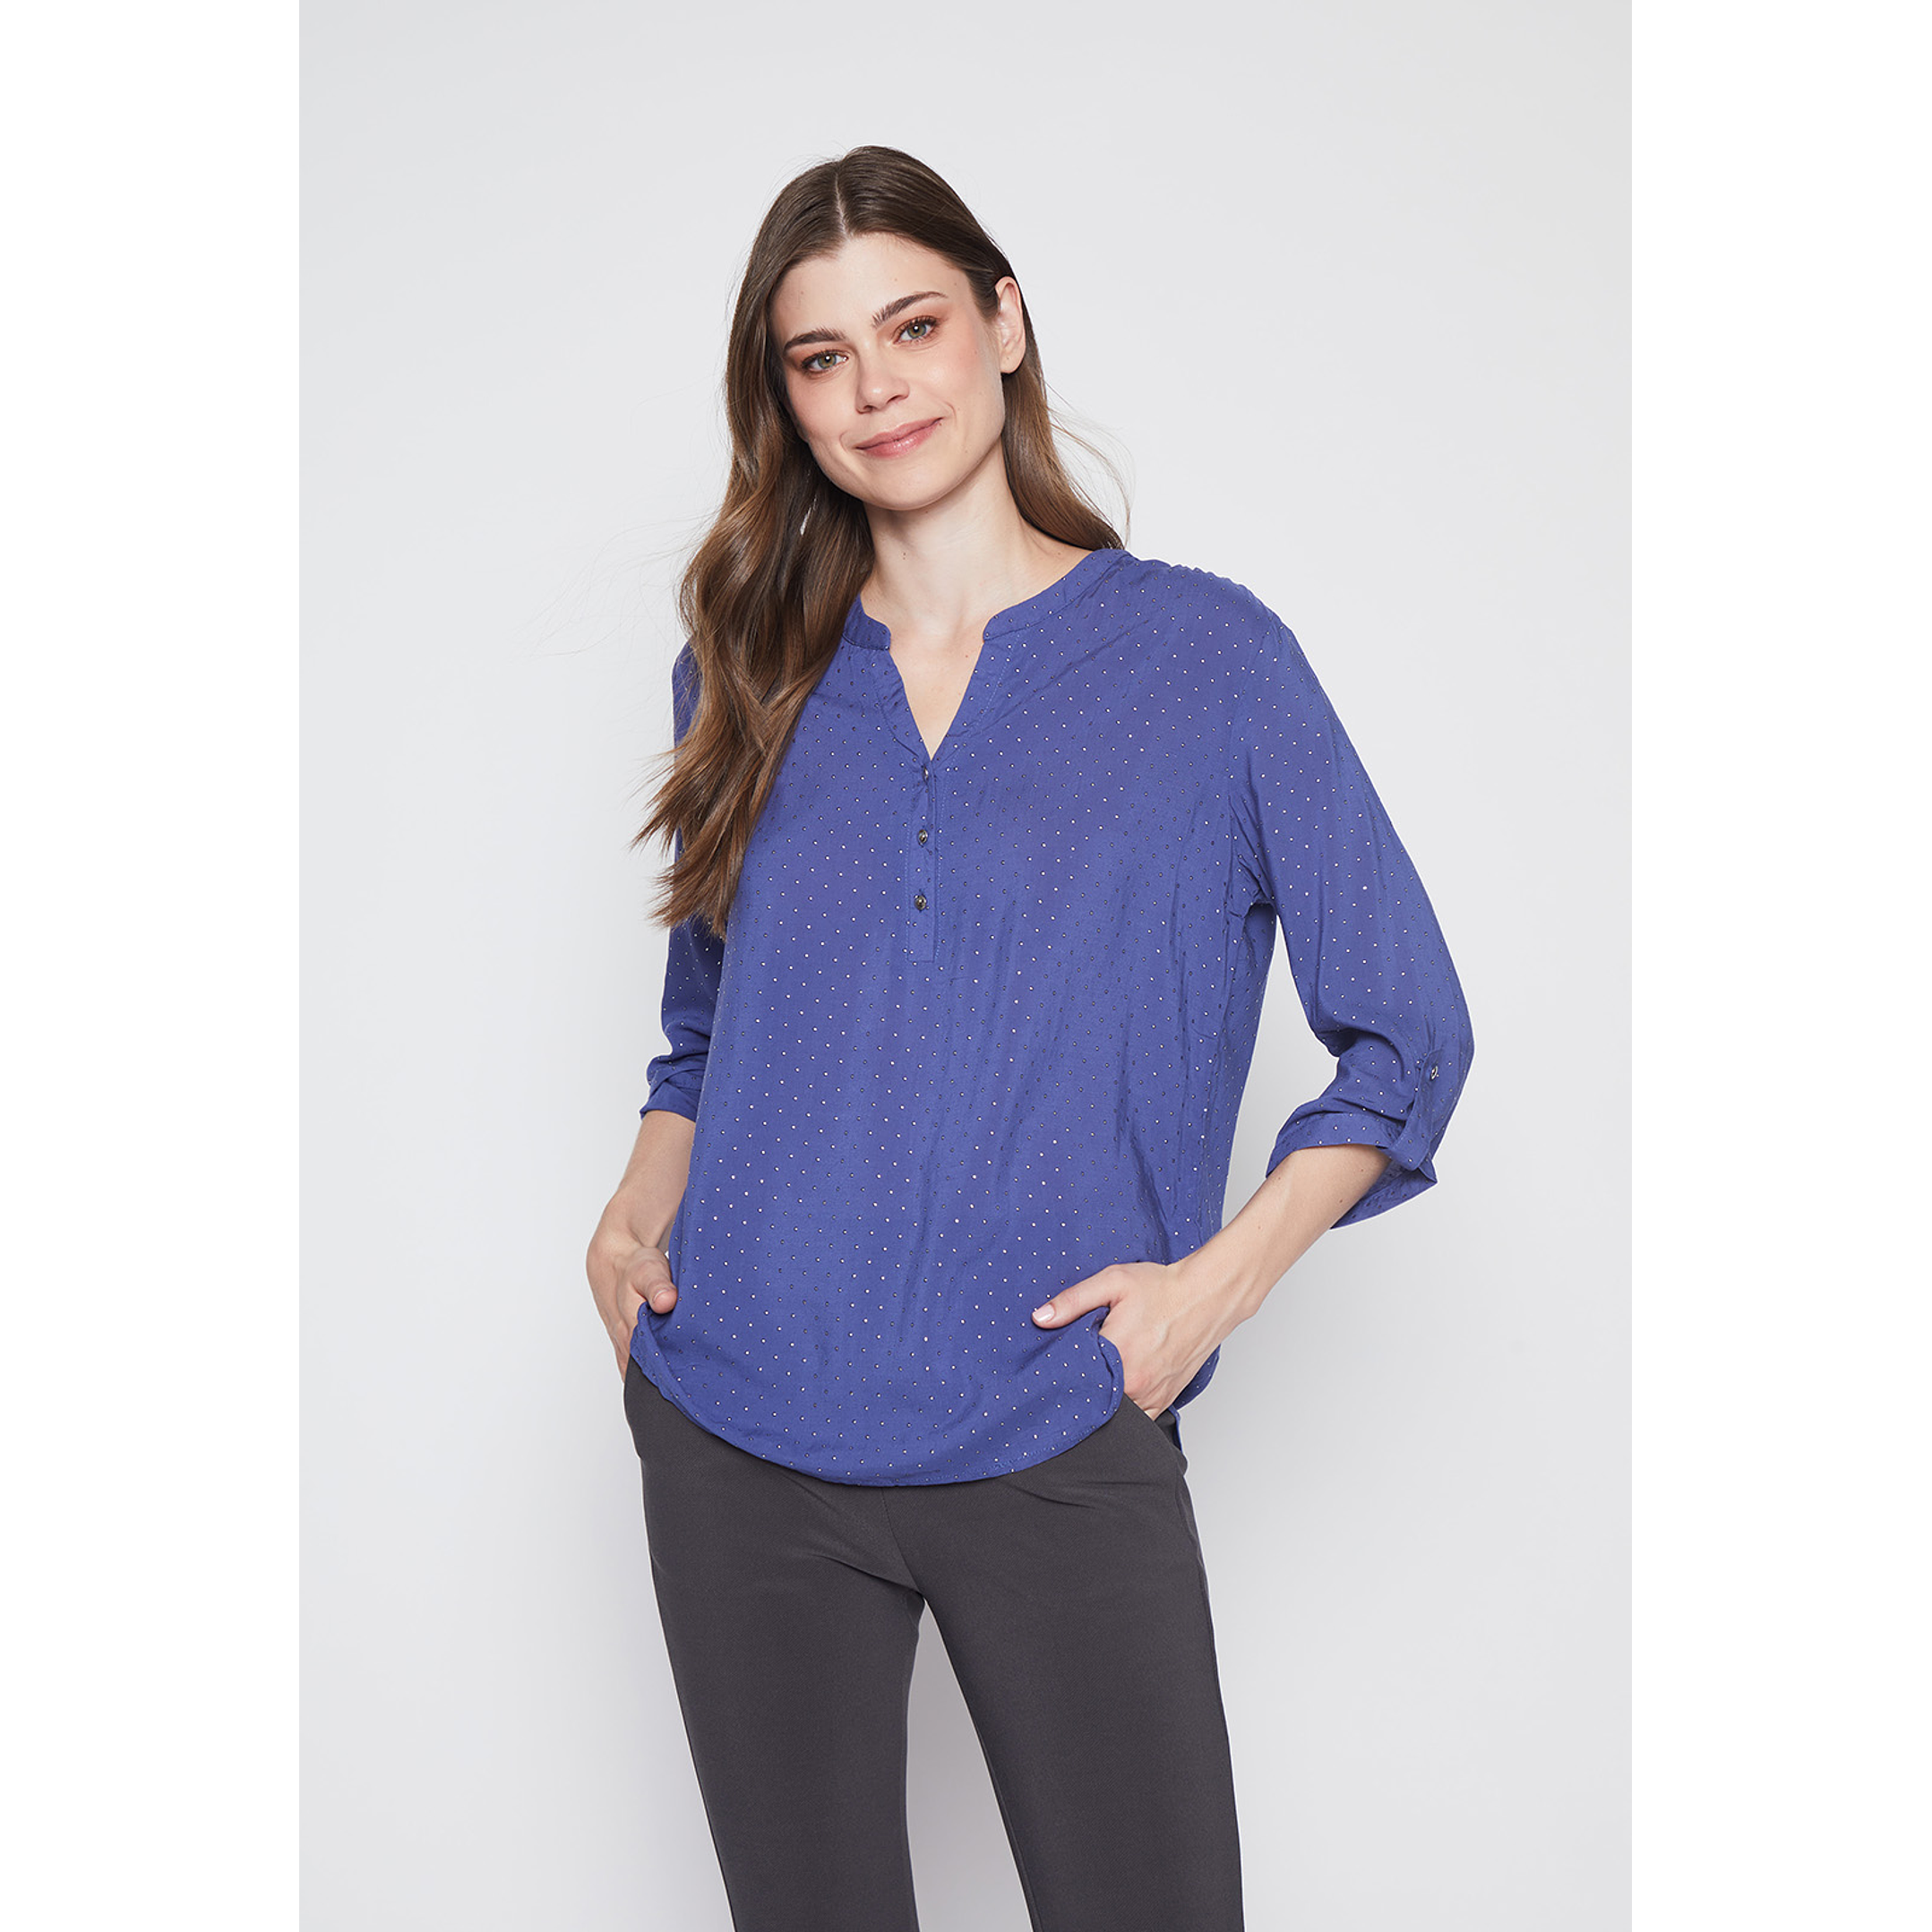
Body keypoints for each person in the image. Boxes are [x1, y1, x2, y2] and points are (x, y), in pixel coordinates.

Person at [586, 145, 1473, 1932]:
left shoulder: (1207, 662)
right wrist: (634, 1207)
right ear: (785, 400)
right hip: (739, 1432)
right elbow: (707, 1034)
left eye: (912, 326)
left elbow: (1408, 1035)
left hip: (1057, 1418)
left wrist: (1210, 1292)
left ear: (1003, 323)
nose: (876, 387)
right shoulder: (742, 668)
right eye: (821, 357)